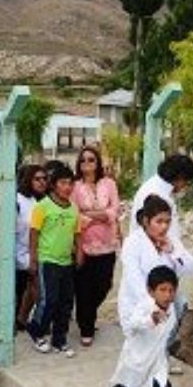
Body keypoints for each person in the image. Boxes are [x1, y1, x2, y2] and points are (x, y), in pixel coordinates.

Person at [119, 194, 193, 387]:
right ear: (146, 221)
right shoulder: (134, 243)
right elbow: (134, 280)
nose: (164, 227)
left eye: (167, 221)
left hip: (164, 308)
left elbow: (189, 268)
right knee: (152, 357)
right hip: (138, 307)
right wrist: (151, 308)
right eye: (159, 221)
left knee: (150, 355)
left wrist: (173, 251)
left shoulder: (170, 241)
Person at [102, 266, 180, 387]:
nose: (167, 295)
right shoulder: (144, 307)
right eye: (162, 290)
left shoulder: (172, 309)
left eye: (171, 290)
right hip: (135, 362)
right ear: (151, 291)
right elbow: (133, 324)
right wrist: (151, 320)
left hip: (156, 363)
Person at [26, 164, 83, 357]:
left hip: (66, 262)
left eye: (70, 183)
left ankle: (60, 340)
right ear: (54, 185)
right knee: (48, 300)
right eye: (63, 183)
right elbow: (34, 233)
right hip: (47, 260)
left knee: (66, 302)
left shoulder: (74, 209)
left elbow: (77, 234)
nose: (67, 187)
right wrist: (33, 259)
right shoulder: (42, 207)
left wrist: (80, 252)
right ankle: (36, 331)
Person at [72, 146, 120, 346]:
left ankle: (87, 314)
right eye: (83, 161)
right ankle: (86, 327)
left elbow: (115, 209)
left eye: (91, 160)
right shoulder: (75, 186)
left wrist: (93, 214)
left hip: (107, 245)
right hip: (84, 245)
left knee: (104, 285)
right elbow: (75, 214)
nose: (87, 164)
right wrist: (101, 215)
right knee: (84, 288)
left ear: (98, 162)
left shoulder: (108, 184)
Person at [129, 154, 193, 240]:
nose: (185, 187)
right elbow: (167, 236)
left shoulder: (156, 185)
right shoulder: (158, 195)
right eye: (186, 182)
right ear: (179, 178)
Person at [16, 164, 48, 330]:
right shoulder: (18, 200)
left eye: (44, 179)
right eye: (37, 179)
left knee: (33, 288)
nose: (42, 182)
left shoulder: (42, 201)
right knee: (37, 289)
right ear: (28, 180)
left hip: (36, 251)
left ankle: (22, 319)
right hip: (20, 252)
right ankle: (38, 322)